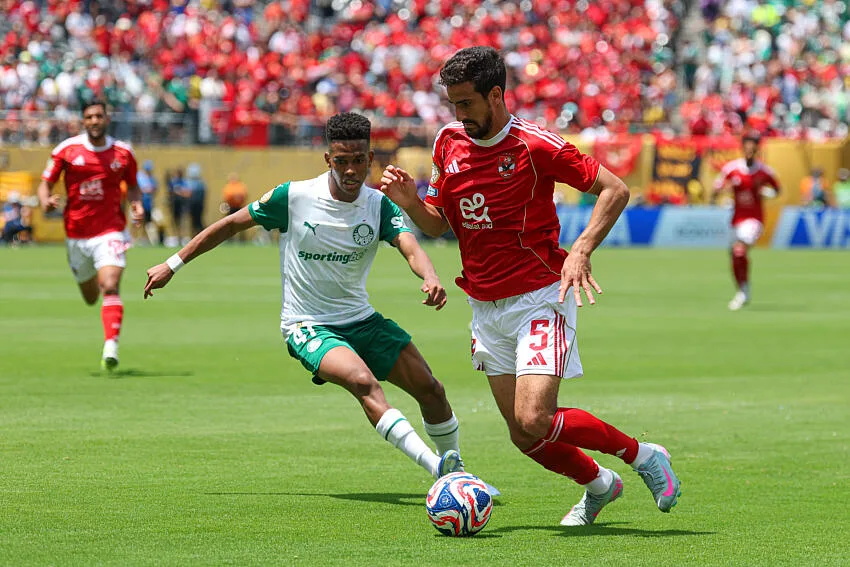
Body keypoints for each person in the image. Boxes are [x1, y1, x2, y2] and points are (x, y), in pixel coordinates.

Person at [380, 46, 679, 527]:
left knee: (536, 416)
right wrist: (412, 203)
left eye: (467, 104)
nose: (459, 114)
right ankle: (600, 485)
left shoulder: (535, 145)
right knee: (524, 436)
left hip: (540, 296)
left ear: (495, 95)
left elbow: (615, 189)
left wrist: (580, 250)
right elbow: (437, 226)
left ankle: (642, 454)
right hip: (485, 306)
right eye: (452, 104)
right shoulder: (446, 143)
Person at [143, 112, 485, 488]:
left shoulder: (378, 204)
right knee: (363, 382)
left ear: (370, 159)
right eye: (341, 161)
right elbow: (229, 224)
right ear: (328, 160)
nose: (351, 170)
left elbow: (410, 246)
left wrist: (431, 276)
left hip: (361, 320)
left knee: (431, 389)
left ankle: (458, 471)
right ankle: (441, 473)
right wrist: (172, 264)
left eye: (358, 160)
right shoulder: (294, 197)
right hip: (308, 324)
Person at [37, 99, 142, 370]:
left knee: (110, 285)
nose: (94, 121)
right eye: (89, 117)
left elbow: (132, 186)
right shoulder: (67, 150)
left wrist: (136, 204)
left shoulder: (123, 153)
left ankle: (111, 346)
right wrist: (45, 200)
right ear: (83, 121)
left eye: (99, 116)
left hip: (111, 231)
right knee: (91, 297)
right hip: (76, 234)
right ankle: (97, 281)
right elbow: (45, 184)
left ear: (107, 119)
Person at [713, 132, 781, 311]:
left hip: (754, 219)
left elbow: (777, 189)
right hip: (736, 218)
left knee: (739, 250)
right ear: (742, 149)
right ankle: (743, 288)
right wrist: (721, 191)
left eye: (753, 148)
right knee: (735, 256)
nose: (749, 151)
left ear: (757, 150)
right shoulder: (732, 169)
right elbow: (717, 187)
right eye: (747, 147)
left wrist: (766, 193)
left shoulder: (764, 171)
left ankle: (743, 292)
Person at [137, 159, 163, 245]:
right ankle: (138, 237)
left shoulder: (152, 178)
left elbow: (155, 188)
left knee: (148, 222)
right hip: (141, 203)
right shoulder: (140, 177)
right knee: (139, 221)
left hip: (149, 203)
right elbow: (138, 188)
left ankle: (146, 238)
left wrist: (151, 190)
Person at [220, 172, 248, 242]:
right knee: (230, 224)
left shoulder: (239, 186)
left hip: (237, 207)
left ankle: (241, 239)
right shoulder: (230, 187)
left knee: (241, 224)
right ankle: (230, 239)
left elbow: (244, 196)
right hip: (232, 207)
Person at [184, 163, 207, 237]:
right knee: (196, 222)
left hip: (196, 206)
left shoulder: (198, 184)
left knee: (197, 222)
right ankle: (196, 236)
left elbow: (189, 194)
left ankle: (201, 236)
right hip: (197, 206)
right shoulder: (201, 183)